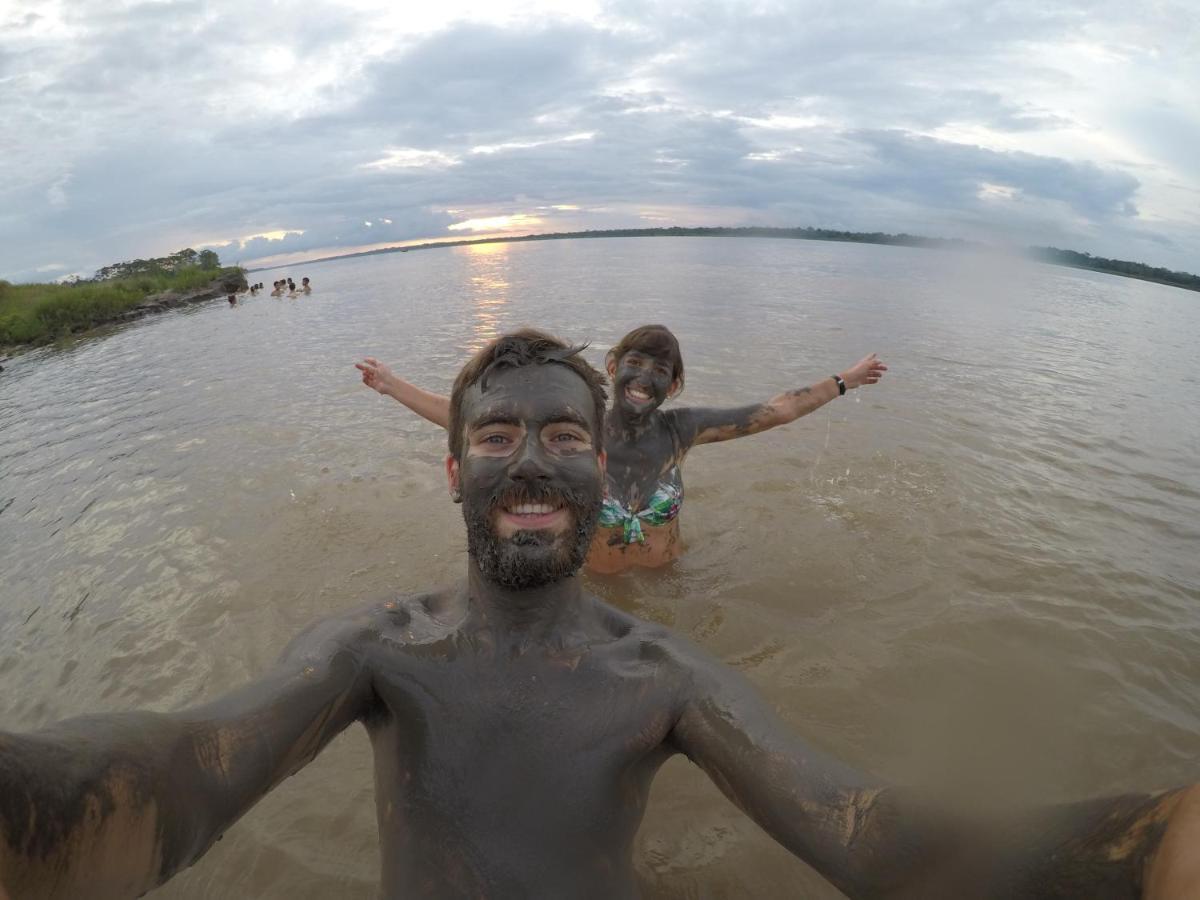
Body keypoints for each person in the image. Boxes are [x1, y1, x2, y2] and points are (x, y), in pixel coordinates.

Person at [3, 329, 1197, 899]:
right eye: (499, 437)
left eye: (565, 436)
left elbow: (869, 834)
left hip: (648, 579)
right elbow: (190, 771)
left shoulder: (664, 675)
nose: (536, 460)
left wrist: (1143, 856)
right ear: (455, 466)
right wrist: (29, 813)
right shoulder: (373, 649)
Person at [357, 324, 887, 573]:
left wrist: (848, 380)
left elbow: (777, 410)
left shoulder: (683, 431)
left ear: (673, 387)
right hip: (594, 588)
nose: (644, 378)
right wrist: (392, 385)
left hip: (671, 576)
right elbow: (469, 422)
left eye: (661, 371)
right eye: (635, 363)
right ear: (612, 368)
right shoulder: (575, 427)